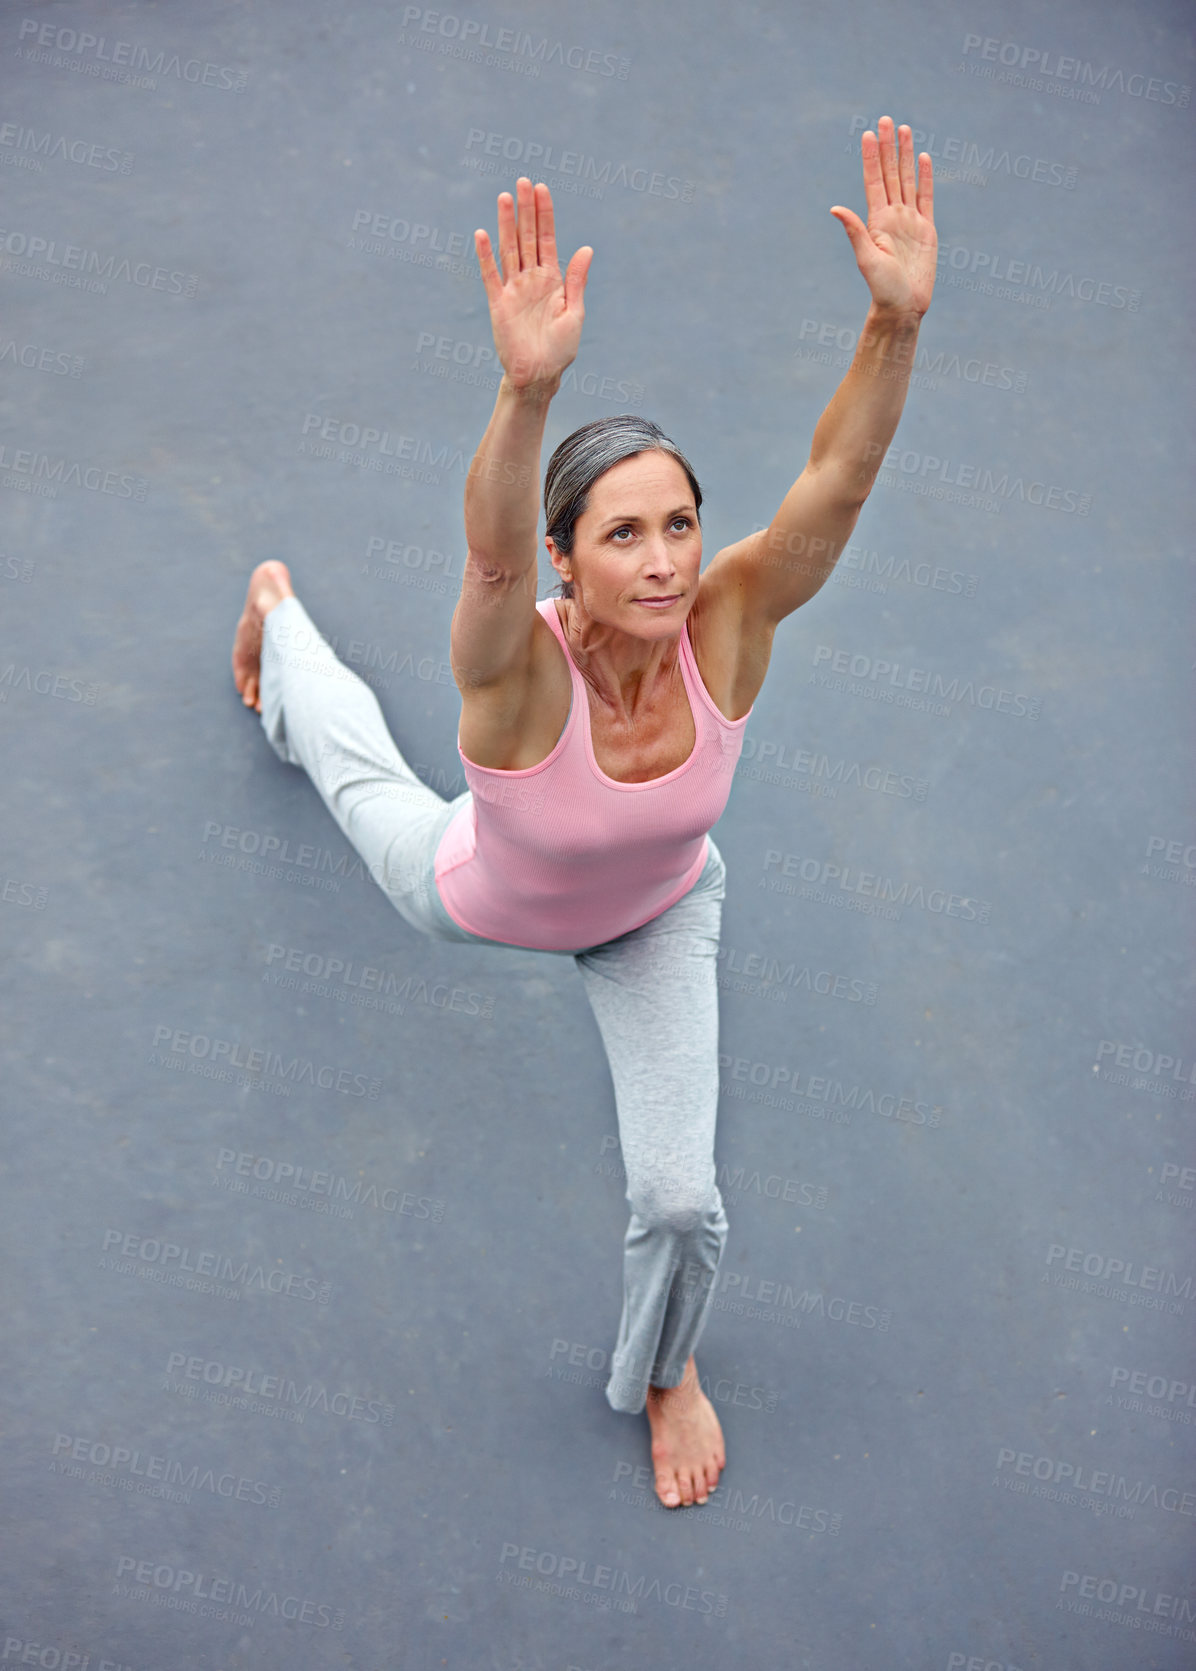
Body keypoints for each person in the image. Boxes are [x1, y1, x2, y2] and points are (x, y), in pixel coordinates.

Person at [231, 116, 937, 1510]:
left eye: (679, 523)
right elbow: (487, 557)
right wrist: (523, 391)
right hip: (479, 893)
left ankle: (663, 1370)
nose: (667, 560)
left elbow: (836, 483)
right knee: (361, 774)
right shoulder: (514, 667)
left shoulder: (729, 621)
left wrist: (893, 324)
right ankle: (279, 622)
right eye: (624, 534)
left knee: (680, 1202)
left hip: (658, 917)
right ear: (565, 565)